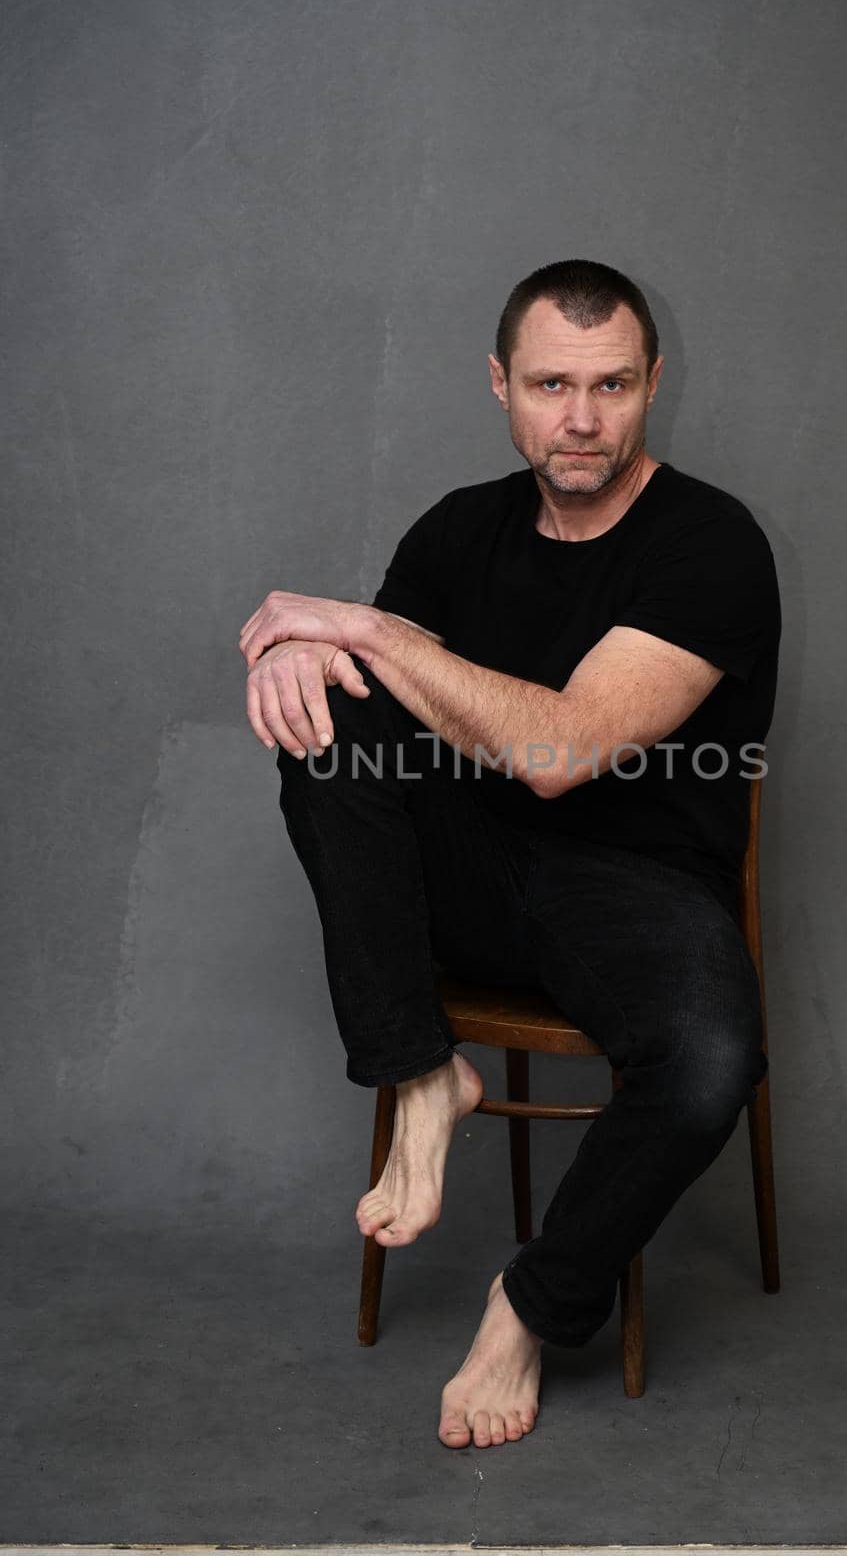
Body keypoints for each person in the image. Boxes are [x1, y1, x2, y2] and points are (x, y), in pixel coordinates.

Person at [238, 259, 781, 1451]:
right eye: (548, 383)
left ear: (651, 385)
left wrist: (356, 626)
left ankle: (528, 1304)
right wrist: (296, 656)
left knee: (706, 1064)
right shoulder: (457, 529)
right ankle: (421, 1071)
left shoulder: (710, 544)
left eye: (609, 384)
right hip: (473, 877)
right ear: (499, 385)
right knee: (329, 727)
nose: (579, 418)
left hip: (635, 894)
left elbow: (557, 748)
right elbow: (370, 692)